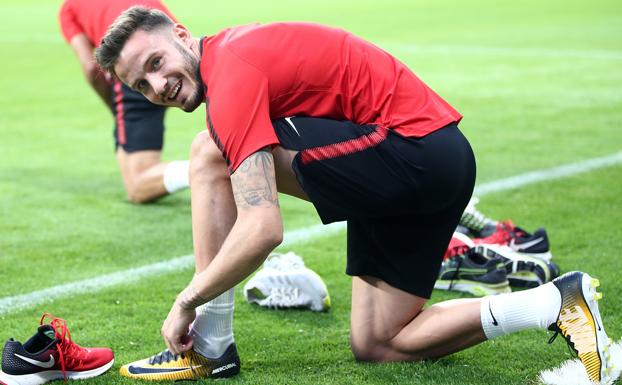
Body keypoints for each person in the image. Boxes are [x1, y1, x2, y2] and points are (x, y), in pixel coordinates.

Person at [94, 7, 614, 384]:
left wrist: (188, 302)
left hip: (413, 153)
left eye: (157, 63)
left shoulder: (230, 70)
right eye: (141, 84)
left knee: (209, 151)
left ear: (181, 35)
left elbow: (262, 228)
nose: (157, 86)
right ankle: (557, 303)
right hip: (428, 163)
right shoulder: (229, 57)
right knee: (380, 343)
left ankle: (209, 346)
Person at [59, 0, 189, 203]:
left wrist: (113, 107)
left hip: (136, 70)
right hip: (176, 49)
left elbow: (91, 67)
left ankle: (203, 168)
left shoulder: (68, 8)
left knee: (137, 186)